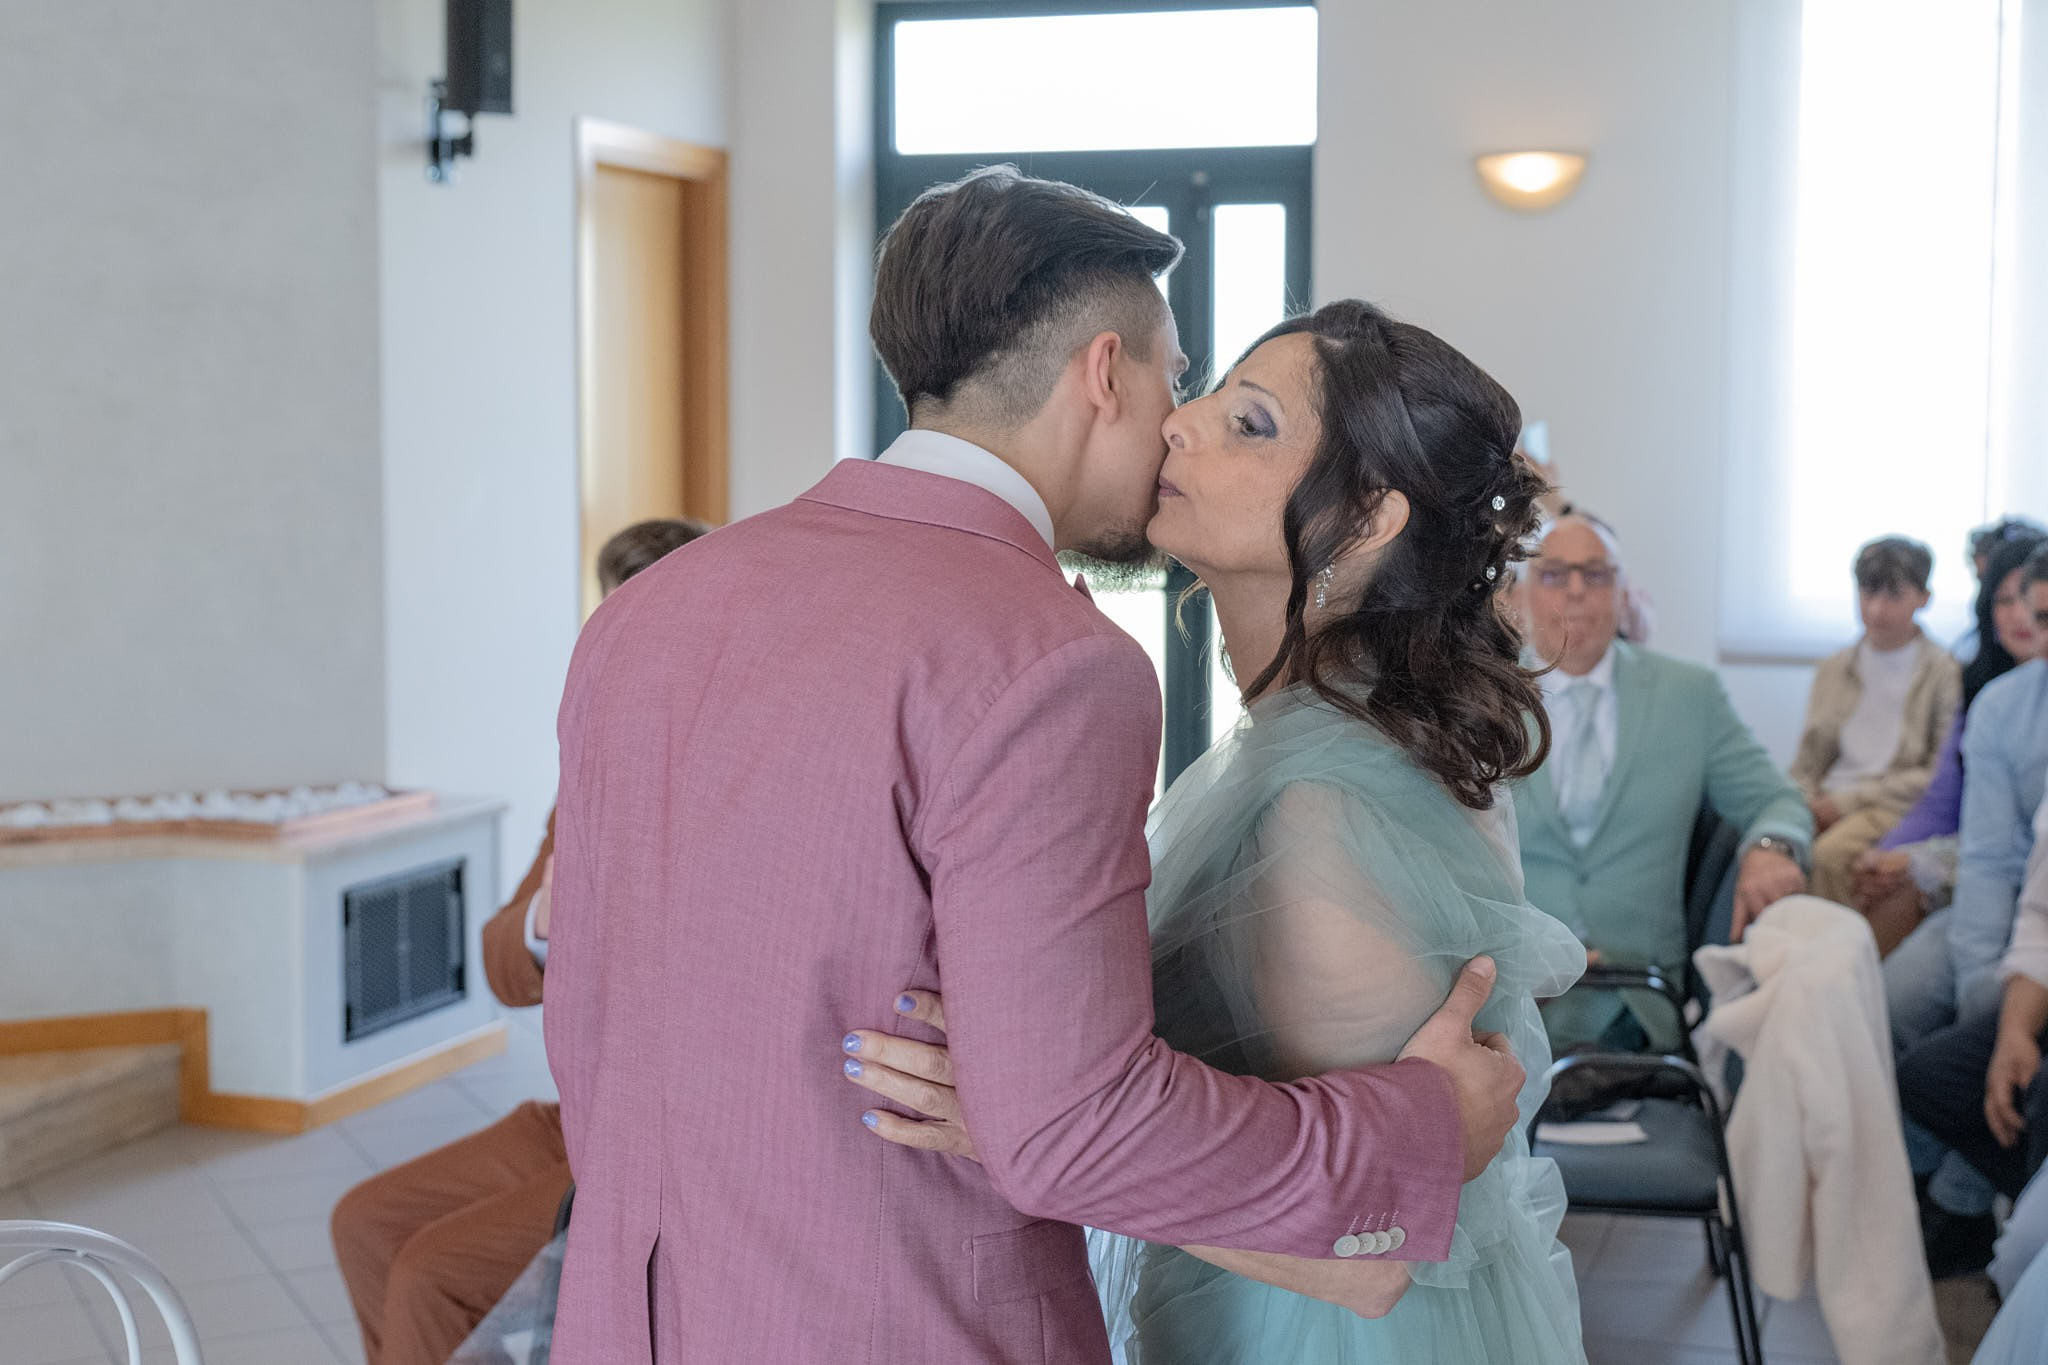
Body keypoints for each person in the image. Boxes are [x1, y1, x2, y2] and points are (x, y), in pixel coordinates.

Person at [541, 170, 1528, 1364]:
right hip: (901, 1323)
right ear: (1102, 372)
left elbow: (594, 1017)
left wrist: (1004, 1110)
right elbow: (1069, 1130)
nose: (1179, 422)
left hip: (635, 1316)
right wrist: (1422, 1124)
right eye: (1180, 378)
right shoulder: (1049, 661)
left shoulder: (647, 612)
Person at [843, 300, 1588, 1363]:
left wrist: (1018, 1128)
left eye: (1249, 425)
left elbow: (1370, 1253)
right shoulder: (1306, 745)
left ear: (1370, 519)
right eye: (1204, 397)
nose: (1178, 423)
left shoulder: (1329, 804)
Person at [329, 518, 709, 1365]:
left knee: (431, 1275)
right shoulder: (593, 772)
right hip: (573, 1118)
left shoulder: (740, 777)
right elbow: (502, 964)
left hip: (659, 1139)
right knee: (365, 1223)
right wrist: (546, 920)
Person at [1513, 514, 1812, 1052]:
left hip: (1637, 1000)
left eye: (1597, 575)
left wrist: (1771, 846)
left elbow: (1776, 799)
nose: (1577, 592)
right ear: (1521, 594)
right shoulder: (1480, 698)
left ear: (1624, 593)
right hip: (1509, 996)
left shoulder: (1688, 695)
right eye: (1555, 575)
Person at [1889, 543, 2048, 1274]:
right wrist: (1987, 975)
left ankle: (1958, 1202)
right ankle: (1915, 1181)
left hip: (2035, 930)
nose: (2030, 624)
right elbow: (1985, 858)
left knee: (1994, 1048)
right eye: (2020, 607)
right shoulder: (2004, 703)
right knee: (1897, 998)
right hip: (2000, 908)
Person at [1855, 529, 2047, 953]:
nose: (2022, 616)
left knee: (1902, 885)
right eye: (2004, 601)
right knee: (1873, 879)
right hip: (1979, 857)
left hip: (2009, 866)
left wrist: (1914, 860)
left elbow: (2004, 845)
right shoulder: (1983, 689)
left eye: (2033, 606)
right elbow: (1941, 799)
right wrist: (1892, 852)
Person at [1789, 536, 1960, 905]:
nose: (1876, 610)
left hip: (1890, 802)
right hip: (1828, 797)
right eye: (1867, 593)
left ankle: (1824, 957)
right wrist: (1802, 801)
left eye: (1893, 595)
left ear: (1923, 597)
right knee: (1770, 842)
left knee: (1828, 857)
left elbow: (1935, 774)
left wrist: (1846, 803)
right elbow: (1807, 760)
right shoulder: (1835, 667)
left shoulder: (1943, 672)